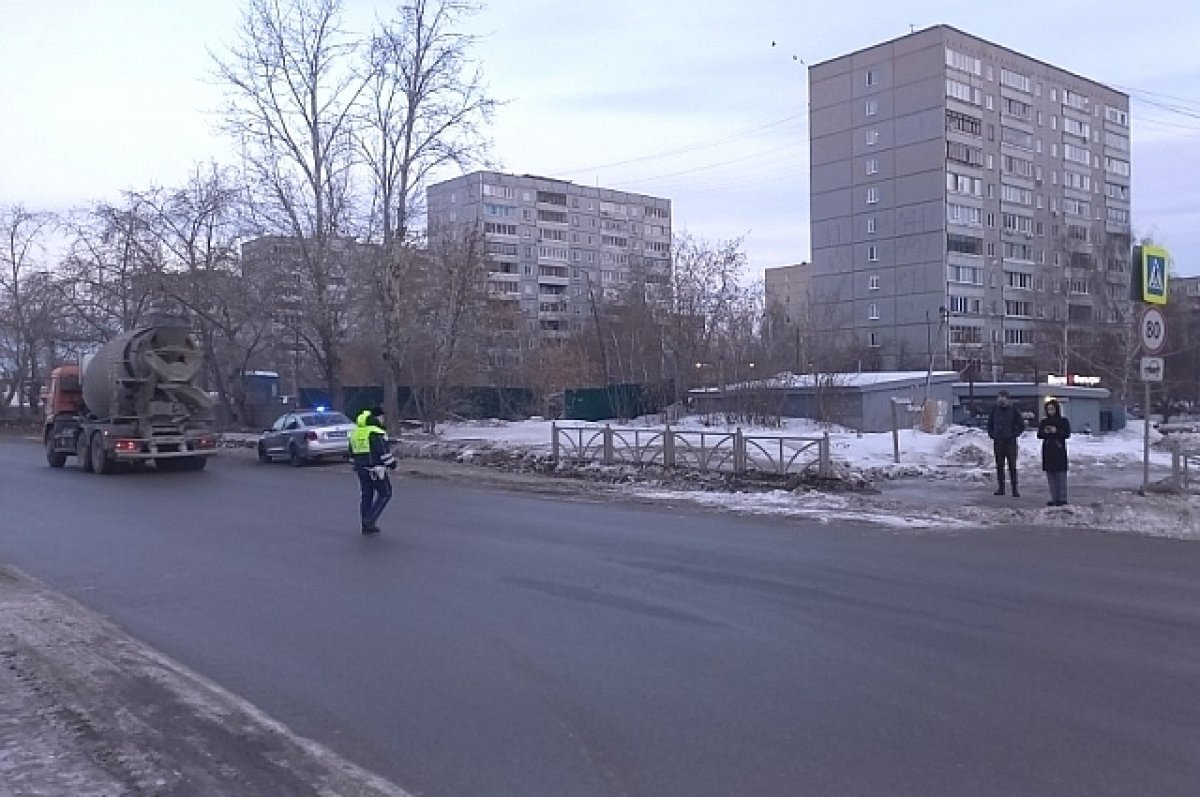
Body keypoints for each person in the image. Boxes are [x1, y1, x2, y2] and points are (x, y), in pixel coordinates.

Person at [349, 406, 397, 535]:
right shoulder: (375, 432)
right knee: (385, 493)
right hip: (376, 469)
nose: (383, 419)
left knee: (366, 495)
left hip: (361, 468)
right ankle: (369, 520)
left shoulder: (356, 432)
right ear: (377, 417)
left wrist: (356, 465)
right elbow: (382, 451)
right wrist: (392, 464)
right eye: (382, 417)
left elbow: (351, 452)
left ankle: (365, 523)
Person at [987, 389, 1025, 497]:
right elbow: (989, 424)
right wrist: (992, 434)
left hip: (1010, 443)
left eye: (1004, 397)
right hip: (998, 442)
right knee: (999, 466)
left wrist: (1013, 434)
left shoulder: (1013, 410)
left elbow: (1021, 425)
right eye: (1000, 397)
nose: (1001, 400)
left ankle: (1014, 489)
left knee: (1012, 466)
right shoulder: (994, 410)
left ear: (1008, 399)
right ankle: (1001, 488)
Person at [1037, 399, 1071, 506]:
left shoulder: (1063, 421)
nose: (1050, 411)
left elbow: (1067, 434)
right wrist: (1045, 432)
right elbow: (1039, 434)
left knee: (1060, 474)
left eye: (1052, 409)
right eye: (1048, 409)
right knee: (1050, 474)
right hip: (1048, 450)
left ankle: (1062, 497)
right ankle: (1053, 497)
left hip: (1059, 450)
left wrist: (1056, 431)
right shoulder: (1044, 421)